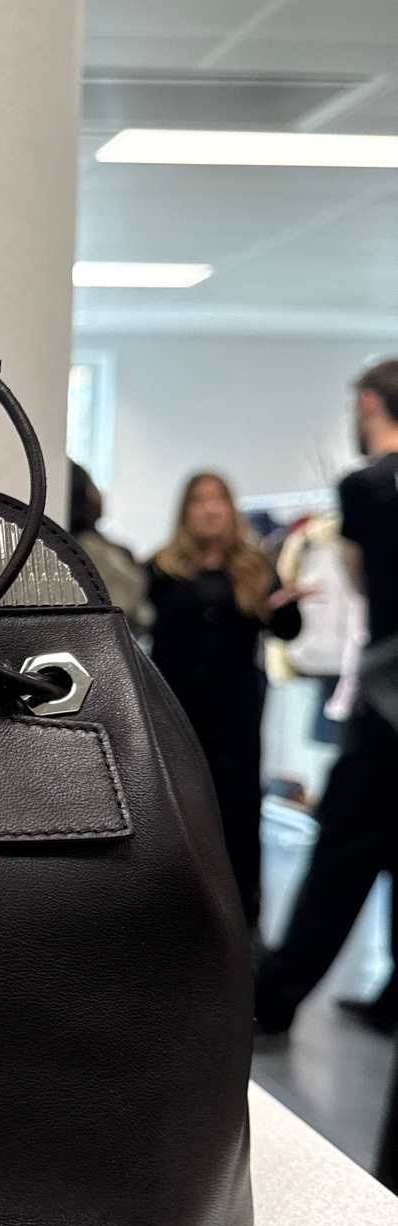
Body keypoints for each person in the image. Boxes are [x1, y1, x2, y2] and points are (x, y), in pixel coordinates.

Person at [255, 362, 398, 1044]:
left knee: (344, 846)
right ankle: (393, 997)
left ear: (367, 403)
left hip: (391, 694)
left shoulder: (368, 485)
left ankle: (275, 999)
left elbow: (361, 581)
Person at [149, 472, 303, 929]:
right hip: (176, 706)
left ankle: (242, 911)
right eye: (200, 500)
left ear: (231, 509)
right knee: (179, 802)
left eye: (219, 500)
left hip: (236, 706)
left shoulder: (256, 568)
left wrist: (287, 607)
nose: (210, 509)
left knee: (238, 803)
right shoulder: (161, 568)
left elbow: (288, 632)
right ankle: (174, 906)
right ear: (186, 511)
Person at [69, 461, 153, 635]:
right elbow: (125, 609)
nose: (98, 494)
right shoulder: (89, 552)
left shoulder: (110, 549)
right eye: (91, 486)